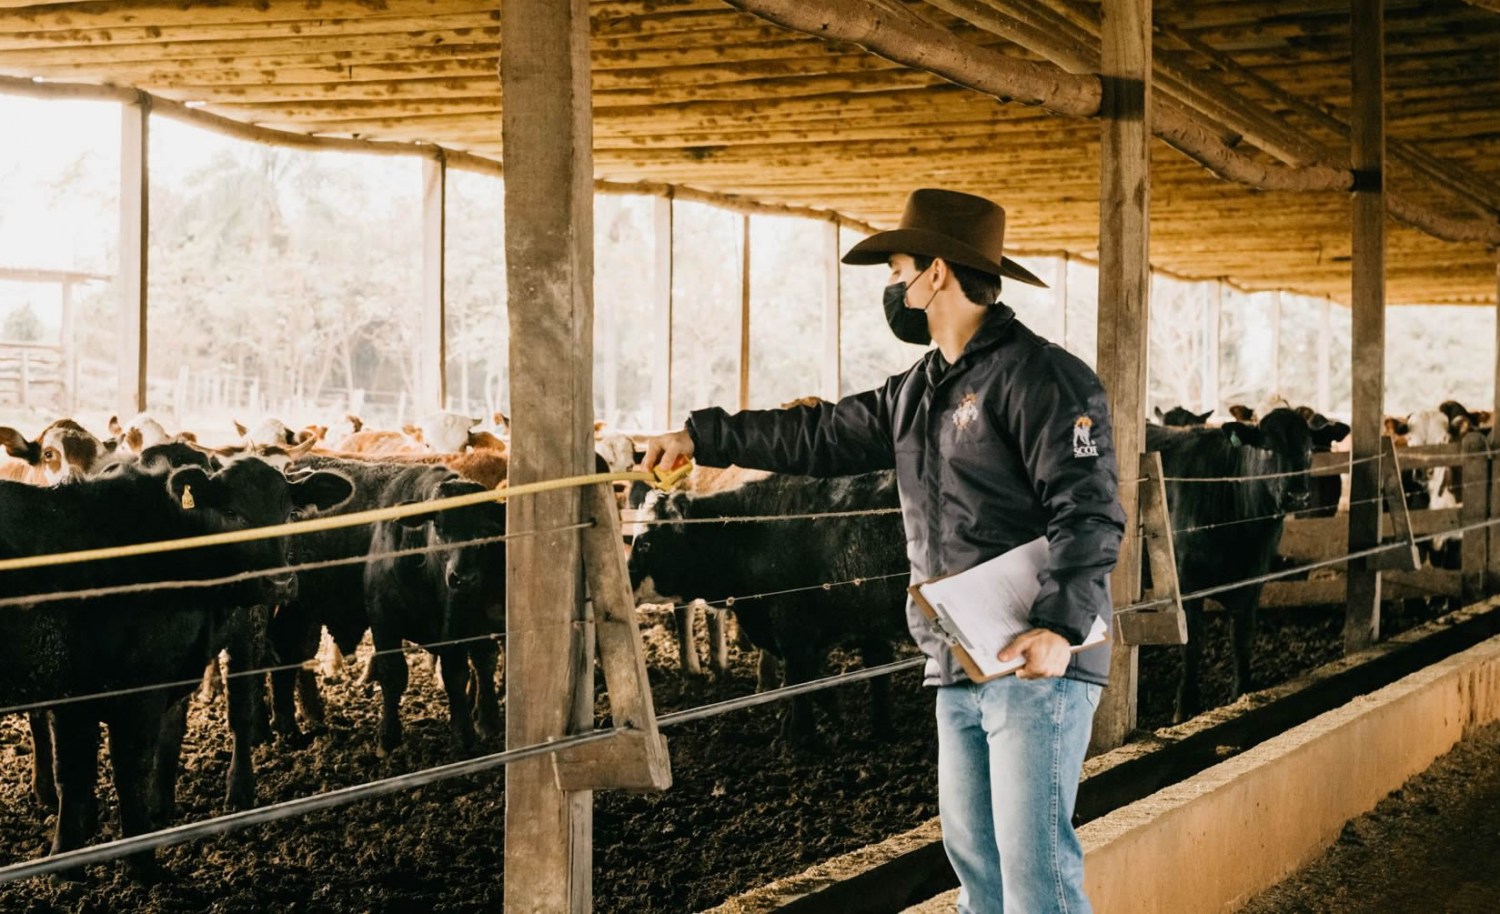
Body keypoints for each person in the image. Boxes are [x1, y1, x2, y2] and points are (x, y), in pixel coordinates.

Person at [641, 188, 1124, 914]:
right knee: (978, 868)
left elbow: (1088, 510)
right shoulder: (917, 391)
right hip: (959, 655)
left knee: (1036, 878)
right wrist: (701, 437)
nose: (891, 286)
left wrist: (1058, 627)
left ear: (936, 274)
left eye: (896, 269)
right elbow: (815, 436)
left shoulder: (1042, 378)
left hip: (1036, 664)